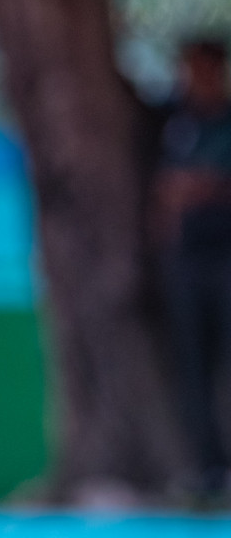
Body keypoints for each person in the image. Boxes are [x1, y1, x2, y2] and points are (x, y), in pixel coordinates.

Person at [153, 37, 231, 501]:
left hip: (226, 258)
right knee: (193, 368)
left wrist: (203, 187)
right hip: (186, 262)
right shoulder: (173, 122)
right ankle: (209, 469)